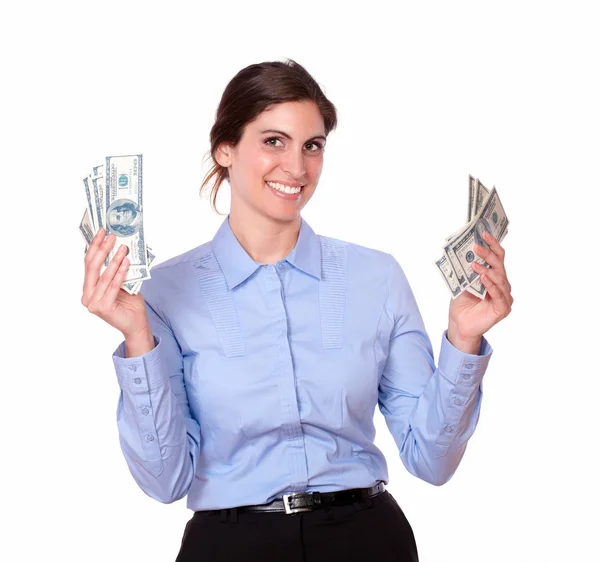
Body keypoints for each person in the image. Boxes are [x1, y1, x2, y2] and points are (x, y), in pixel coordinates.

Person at [81, 59, 513, 562]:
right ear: (225, 149)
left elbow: (432, 459)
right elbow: (165, 480)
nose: (298, 167)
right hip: (230, 548)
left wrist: (463, 341)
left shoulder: (377, 278)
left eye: (313, 145)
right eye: (273, 141)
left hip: (368, 543)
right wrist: (137, 338)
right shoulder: (164, 294)